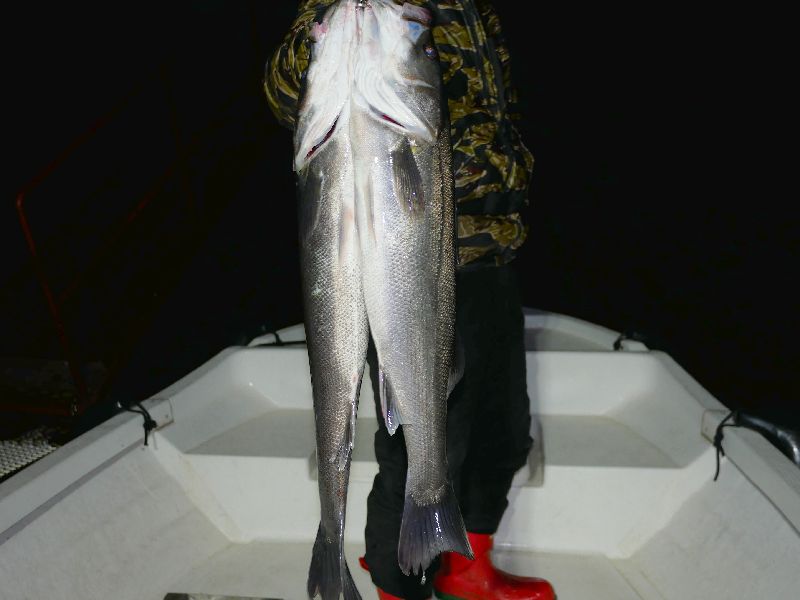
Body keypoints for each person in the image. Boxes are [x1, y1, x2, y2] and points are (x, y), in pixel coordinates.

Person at [264, 1, 555, 599]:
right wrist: (328, 36)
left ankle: (466, 566)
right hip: (411, 256)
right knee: (425, 436)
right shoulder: (365, 10)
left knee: (503, 429)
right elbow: (284, 89)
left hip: (493, 246)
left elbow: (497, 112)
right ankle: (397, 581)